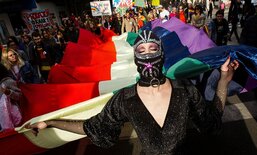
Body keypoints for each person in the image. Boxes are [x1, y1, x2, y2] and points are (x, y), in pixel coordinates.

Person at [27, 30, 239, 154]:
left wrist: (223, 81)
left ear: (162, 53)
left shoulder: (184, 89)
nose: (147, 56)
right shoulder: (125, 98)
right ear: (135, 57)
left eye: (153, 49)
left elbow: (211, 118)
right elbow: (92, 127)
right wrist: (52, 122)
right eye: (141, 51)